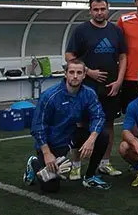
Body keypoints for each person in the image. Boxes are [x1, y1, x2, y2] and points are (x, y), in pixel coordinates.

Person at [23, 59, 111, 192]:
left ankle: (90, 176)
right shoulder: (49, 96)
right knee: (50, 188)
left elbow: (98, 116)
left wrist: (91, 140)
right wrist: (47, 153)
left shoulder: (89, 93)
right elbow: (38, 126)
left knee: (103, 136)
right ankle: (34, 162)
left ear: (84, 75)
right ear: (65, 74)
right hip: (53, 141)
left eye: (79, 72)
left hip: (72, 134)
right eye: (71, 72)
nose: (75, 76)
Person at [65, 0, 127, 178]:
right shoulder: (81, 31)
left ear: (108, 9)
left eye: (103, 9)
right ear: (90, 10)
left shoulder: (115, 31)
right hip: (87, 88)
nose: (100, 13)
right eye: (96, 9)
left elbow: (123, 56)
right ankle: (76, 165)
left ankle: (104, 163)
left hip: (110, 87)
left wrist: (119, 81)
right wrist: (88, 71)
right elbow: (69, 56)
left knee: (108, 124)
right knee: (81, 124)